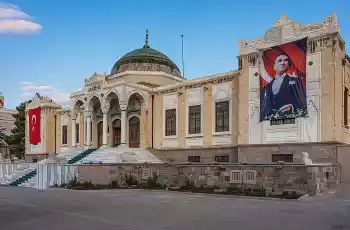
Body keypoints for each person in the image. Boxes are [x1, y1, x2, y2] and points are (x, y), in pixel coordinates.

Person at [260, 54, 307, 121]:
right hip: (269, 124)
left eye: (286, 60)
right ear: (274, 67)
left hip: (291, 121)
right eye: (280, 61)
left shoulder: (296, 81)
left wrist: (292, 107)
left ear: (288, 65)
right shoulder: (267, 87)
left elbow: (303, 102)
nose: (283, 62)